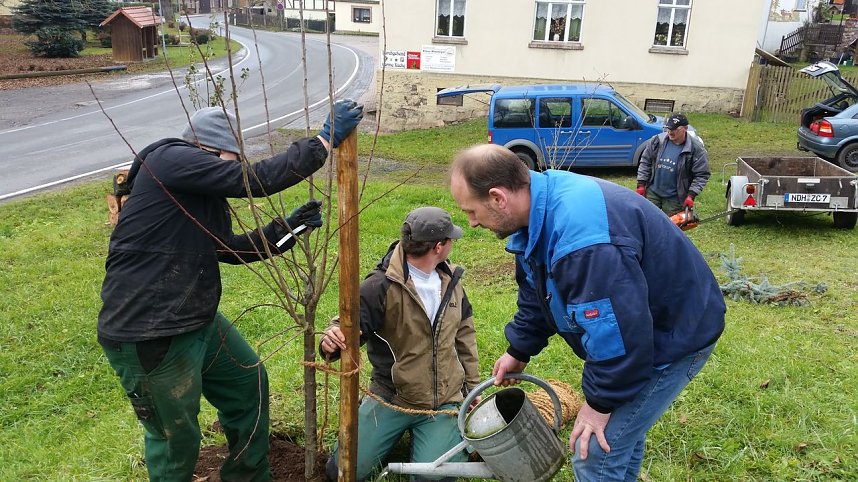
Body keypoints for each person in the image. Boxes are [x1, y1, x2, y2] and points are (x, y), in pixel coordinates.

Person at [97, 99, 363, 482]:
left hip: (195, 319)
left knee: (247, 384)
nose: (232, 167)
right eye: (230, 157)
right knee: (176, 440)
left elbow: (231, 250)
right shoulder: (169, 160)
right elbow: (253, 180)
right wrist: (323, 141)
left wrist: (291, 229)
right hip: (148, 329)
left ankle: (247, 476)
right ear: (207, 149)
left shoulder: (195, 193)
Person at [449, 144, 725, 482]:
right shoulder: (537, 207)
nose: (472, 223)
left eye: (472, 211)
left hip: (675, 332)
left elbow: (619, 335)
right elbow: (538, 291)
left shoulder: (583, 242)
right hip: (644, 324)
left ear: (498, 197)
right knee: (619, 439)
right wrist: (519, 349)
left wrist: (598, 405)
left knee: (594, 450)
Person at [320, 207, 480, 482]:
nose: (453, 243)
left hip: (444, 400)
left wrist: (473, 389)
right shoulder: (379, 286)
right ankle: (388, 432)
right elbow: (344, 328)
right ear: (439, 246)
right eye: (451, 239)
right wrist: (331, 338)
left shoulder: (452, 282)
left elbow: (464, 337)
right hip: (392, 398)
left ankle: (439, 437)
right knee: (344, 471)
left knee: (433, 478)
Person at [636, 113, 711, 216]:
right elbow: (645, 162)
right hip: (652, 193)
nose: (670, 132)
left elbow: (702, 174)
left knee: (671, 228)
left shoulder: (696, 149)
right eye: (669, 128)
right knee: (649, 222)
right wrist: (641, 184)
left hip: (675, 199)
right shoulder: (657, 141)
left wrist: (691, 195)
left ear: (685, 128)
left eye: (675, 129)